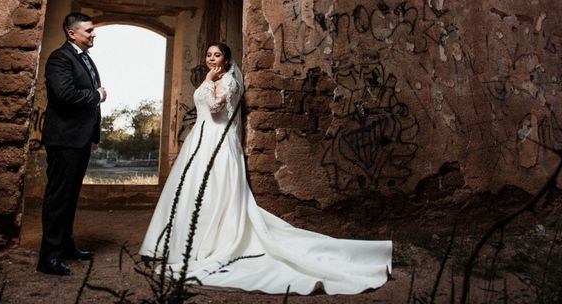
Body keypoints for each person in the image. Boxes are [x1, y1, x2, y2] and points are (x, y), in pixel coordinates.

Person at [140, 43, 391, 295]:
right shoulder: (213, 78)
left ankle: (209, 245)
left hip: (218, 142)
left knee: (215, 193)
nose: (211, 59)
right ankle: (176, 247)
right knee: (191, 191)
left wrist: (207, 80)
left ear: (226, 60)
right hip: (199, 141)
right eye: (208, 55)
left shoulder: (229, 82)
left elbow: (216, 107)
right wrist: (207, 81)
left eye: (217, 55)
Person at [37, 12, 107, 276]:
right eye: (88, 31)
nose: (93, 34)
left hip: (80, 138)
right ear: (71, 33)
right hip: (64, 138)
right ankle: (48, 258)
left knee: (69, 196)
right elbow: (64, 95)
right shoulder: (59, 58)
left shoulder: (83, 57)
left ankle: (65, 246)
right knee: (58, 198)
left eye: (93, 30)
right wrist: (97, 95)